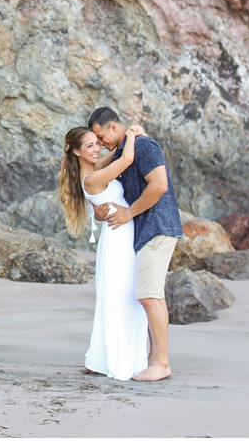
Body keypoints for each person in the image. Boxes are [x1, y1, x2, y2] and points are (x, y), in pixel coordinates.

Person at [88, 106, 183, 382]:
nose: (100, 143)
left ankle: (162, 362)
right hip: (143, 232)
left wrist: (129, 213)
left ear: (114, 127)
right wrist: (126, 139)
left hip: (158, 227)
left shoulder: (144, 146)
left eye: (101, 136)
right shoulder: (123, 151)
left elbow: (159, 185)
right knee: (149, 294)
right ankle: (154, 358)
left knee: (149, 295)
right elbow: (93, 169)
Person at [57, 124, 148, 381]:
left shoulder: (94, 171)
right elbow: (127, 158)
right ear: (76, 152)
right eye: (89, 145)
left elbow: (118, 155)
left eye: (97, 143)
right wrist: (132, 133)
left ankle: (109, 357)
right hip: (118, 236)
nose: (96, 148)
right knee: (122, 295)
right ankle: (120, 359)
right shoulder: (93, 178)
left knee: (123, 294)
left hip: (119, 232)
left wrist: (124, 139)